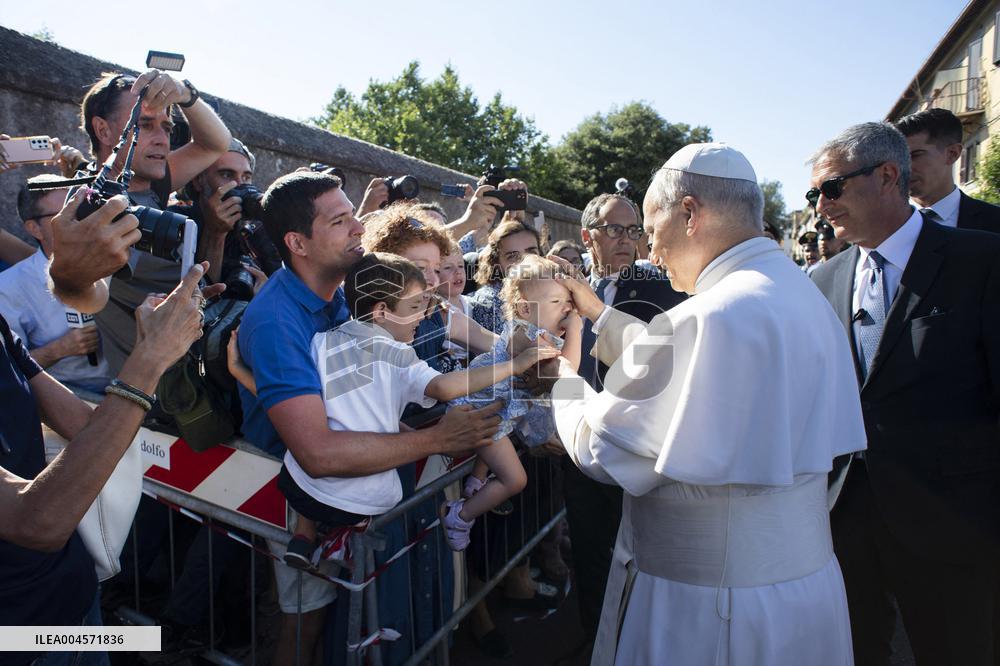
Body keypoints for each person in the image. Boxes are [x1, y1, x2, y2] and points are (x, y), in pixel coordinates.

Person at [550, 143, 866, 665]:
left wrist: (560, 378)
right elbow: (687, 368)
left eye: (651, 233)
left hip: (711, 609)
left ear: (690, 214)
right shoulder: (797, 292)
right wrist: (602, 318)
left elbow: (602, 448)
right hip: (802, 591)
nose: (651, 253)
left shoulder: (712, 314)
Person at [233, 171, 501, 665]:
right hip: (306, 492)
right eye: (340, 221)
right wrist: (437, 439)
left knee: (351, 618)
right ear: (298, 242)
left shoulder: (341, 293)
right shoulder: (277, 322)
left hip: (354, 492)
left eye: (354, 216)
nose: (358, 228)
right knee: (306, 622)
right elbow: (317, 451)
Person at [809, 121, 1000, 666]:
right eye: (814, 194)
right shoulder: (823, 281)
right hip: (844, 519)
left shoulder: (981, 261)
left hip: (953, 522)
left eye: (832, 188)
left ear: (888, 175)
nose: (822, 206)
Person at [0, 186, 209, 666]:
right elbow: (38, 522)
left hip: (76, 609)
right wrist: (149, 360)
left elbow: (85, 425)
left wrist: (150, 351)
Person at [279, 252, 559, 564]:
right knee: (366, 508)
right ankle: (340, 541)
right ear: (382, 311)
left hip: (299, 485)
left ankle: (306, 538)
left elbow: (335, 404)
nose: (423, 315)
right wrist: (514, 365)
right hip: (360, 500)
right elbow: (445, 386)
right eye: (415, 307)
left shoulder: (321, 340)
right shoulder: (397, 354)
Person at [554, 192, 686, 664]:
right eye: (615, 229)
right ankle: (597, 640)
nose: (627, 240)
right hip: (581, 446)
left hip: (643, 450)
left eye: (634, 230)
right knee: (590, 553)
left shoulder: (667, 291)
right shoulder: (560, 290)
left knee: (645, 556)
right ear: (588, 236)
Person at [72, 69, 231, 370]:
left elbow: (216, 143)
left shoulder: (149, 181)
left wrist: (185, 94)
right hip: (152, 391)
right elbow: (89, 295)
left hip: (191, 370)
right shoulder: (94, 207)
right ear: (103, 131)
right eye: (145, 125)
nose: (162, 140)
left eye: (167, 127)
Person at [448, 255, 579, 549]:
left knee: (506, 431)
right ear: (524, 308)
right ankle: (460, 514)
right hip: (478, 414)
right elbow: (564, 373)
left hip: (497, 415)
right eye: (556, 302)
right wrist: (577, 330)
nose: (568, 309)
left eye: (569, 301)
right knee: (515, 480)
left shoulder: (540, 335)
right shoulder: (523, 337)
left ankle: (477, 480)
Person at [0, 176, 110, 391]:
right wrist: (58, 350)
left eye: (81, 209)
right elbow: (7, 370)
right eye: (62, 214)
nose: (77, 220)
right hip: (77, 397)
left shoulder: (116, 259)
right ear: (35, 228)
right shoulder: (10, 288)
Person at [894, 107, 1000, 232]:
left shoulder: (994, 222)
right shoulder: (882, 226)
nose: (904, 167)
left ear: (952, 154)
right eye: (899, 157)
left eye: (916, 155)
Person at [469, 220, 543, 334]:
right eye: (513, 256)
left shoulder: (552, 291)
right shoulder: (488, 304)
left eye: (531, 252)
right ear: (496, 263)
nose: (525, 260)